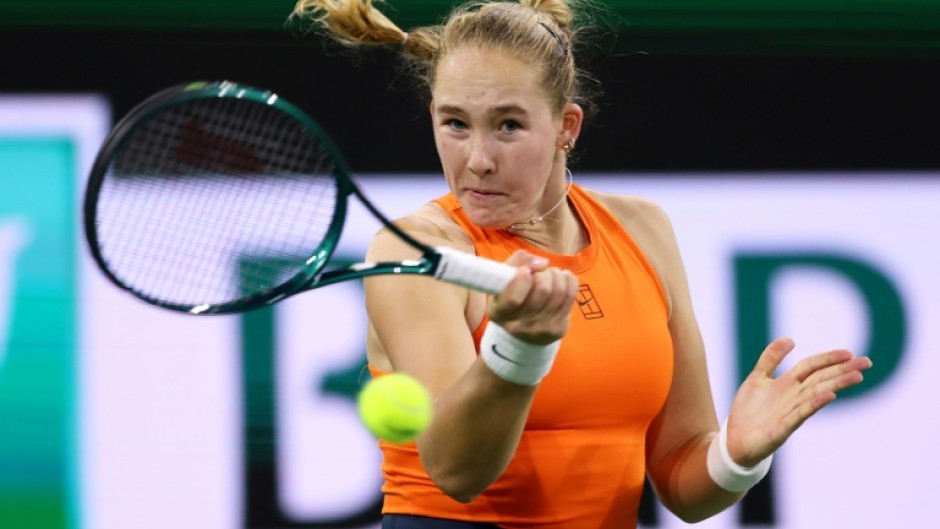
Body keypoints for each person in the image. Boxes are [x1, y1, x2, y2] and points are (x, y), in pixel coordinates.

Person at [291, 1, 873, 528]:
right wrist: (520, 347)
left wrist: (738, 455)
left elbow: (682, 485)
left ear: (567, 127)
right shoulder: (418, 250)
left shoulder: (645, 229)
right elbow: (457, 472)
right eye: (455, 123)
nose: (479, 160)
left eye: (509, 125)